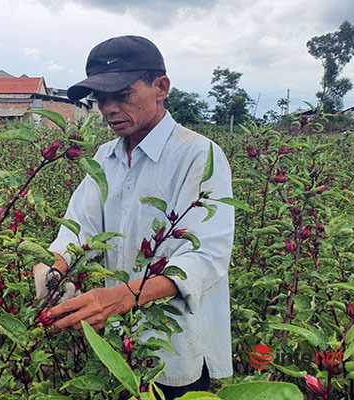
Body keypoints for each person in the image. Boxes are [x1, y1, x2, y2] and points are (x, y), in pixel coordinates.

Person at [34, 35, 234, 399]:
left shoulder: (197, 154)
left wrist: (121, 298)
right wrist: (53, 271)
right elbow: (80, 228)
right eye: (101, 99)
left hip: (174, 342)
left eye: (122, 95)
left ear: (161, 88)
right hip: (114, 341)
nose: (109, 109)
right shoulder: (105, 156)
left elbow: (206, 256)